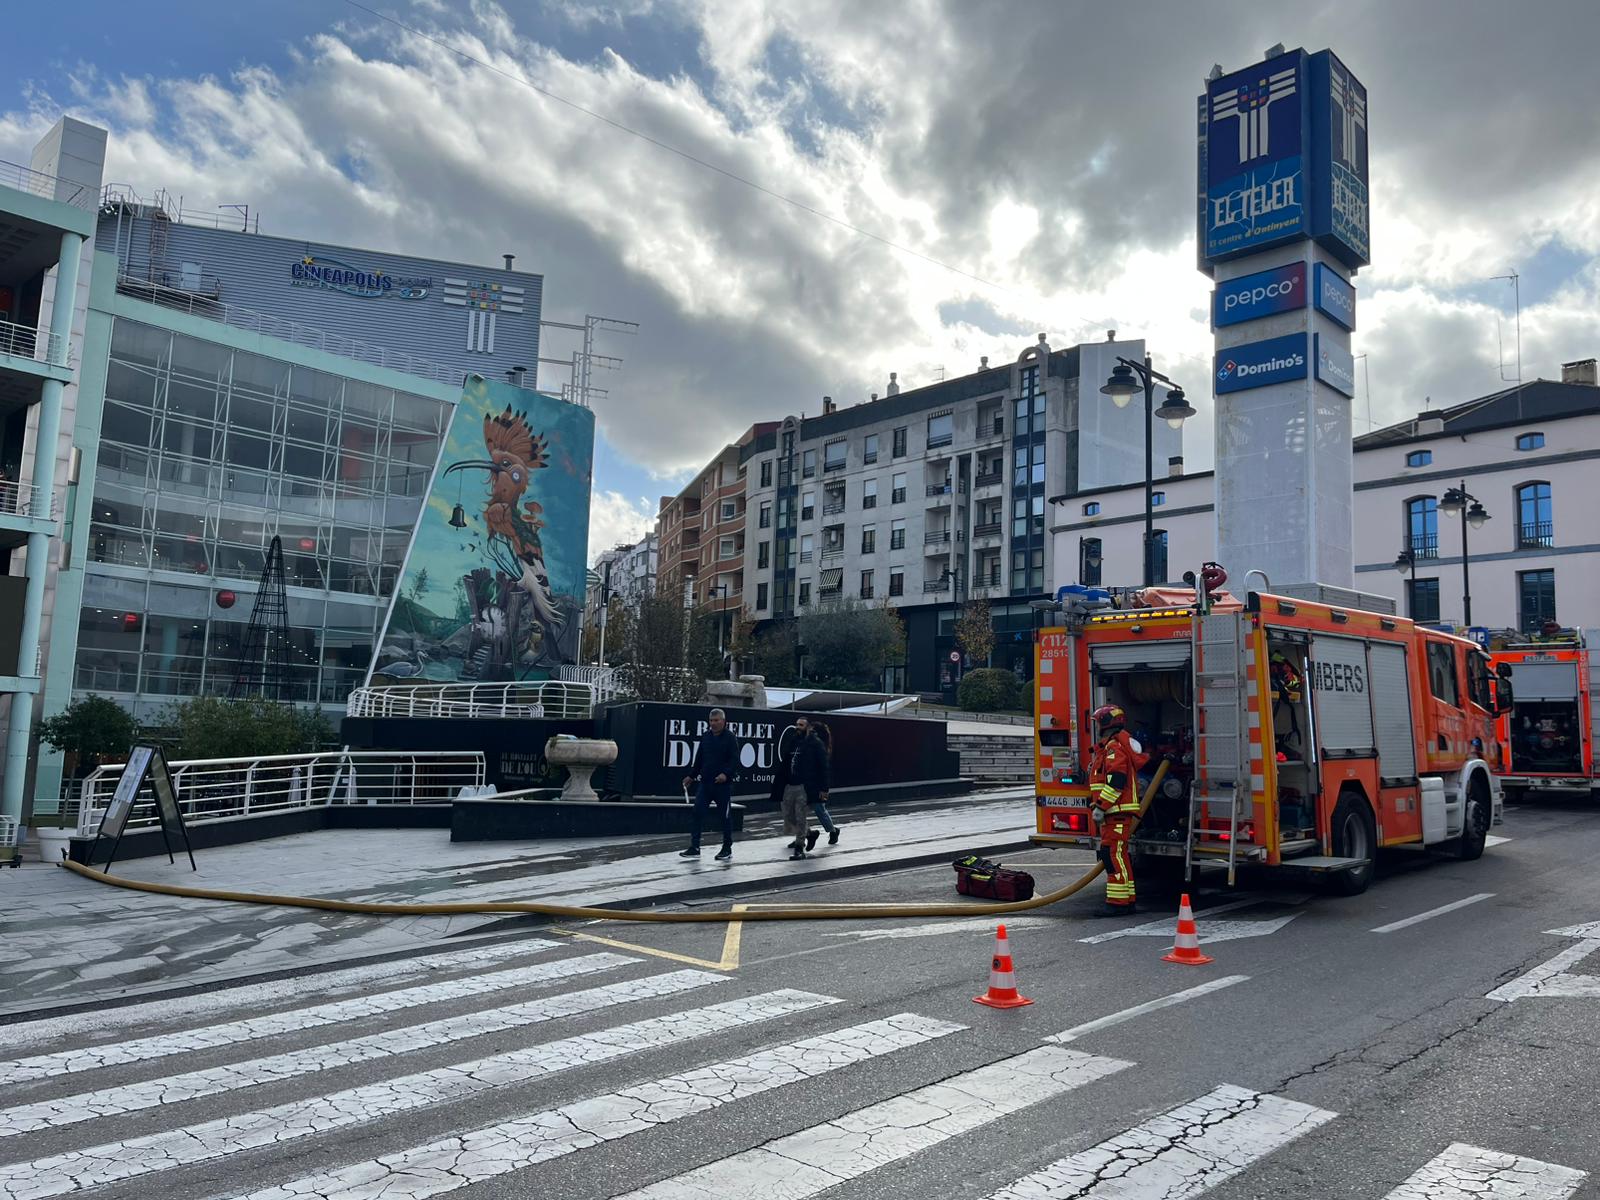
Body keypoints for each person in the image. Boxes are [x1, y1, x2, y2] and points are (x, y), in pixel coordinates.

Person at [1087, 704, 1148, 917]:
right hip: (1115, 810)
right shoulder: (1110, 747)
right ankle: (1126, 899)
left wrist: (1101, 806)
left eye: (1097, 723)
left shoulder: (1114, 749)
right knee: (1117, 855)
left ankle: (1117, 903)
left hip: (1116, 810)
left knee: (1112, 855)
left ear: (1105, 725)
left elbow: (1116, 781)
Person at [680, 708, 742, 860]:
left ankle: (727, 848)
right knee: (697, 813)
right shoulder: (706, 737)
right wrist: (691, 776)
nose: (713, 724)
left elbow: (735, 760)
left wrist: (725, 774)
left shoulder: (730, 738)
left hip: (722, 785)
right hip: (705, 783)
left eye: (716, 720)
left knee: (724, 817)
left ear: (723, 721)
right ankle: (695, 846)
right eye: (711, 721)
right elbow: (699, 758)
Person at [802, 721, 839, 852]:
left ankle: (833, 831)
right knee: (798, 811)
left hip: (816, 785)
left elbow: (824, 770)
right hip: (806, 784)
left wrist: (824, 789)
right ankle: (803, 836)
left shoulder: (819, 746)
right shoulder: (807, 744)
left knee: (819, 810)